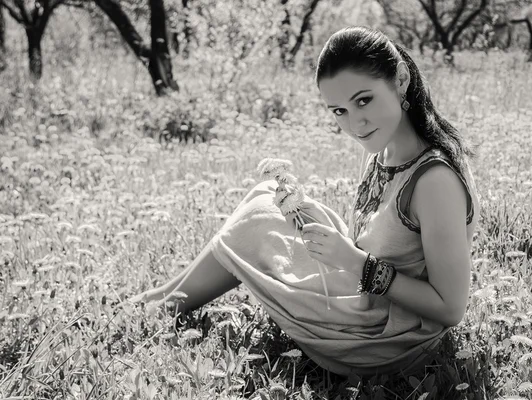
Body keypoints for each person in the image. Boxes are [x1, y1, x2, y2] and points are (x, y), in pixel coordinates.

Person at [130, 26, 480, 377]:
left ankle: (159, 309)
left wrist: (356, 263)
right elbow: (374, 243)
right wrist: (309, 217)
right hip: (363, 293)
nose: (355, 123)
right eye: (338, 111)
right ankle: (156, 300)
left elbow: (450, 308)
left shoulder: (434, 181)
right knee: (269, 199)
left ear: (400, 80)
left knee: (258, 220)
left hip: (388, 336)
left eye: (364, 100)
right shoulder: (382, 150)